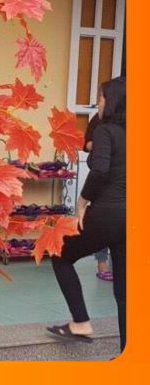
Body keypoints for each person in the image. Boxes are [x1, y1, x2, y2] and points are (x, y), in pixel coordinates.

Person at [47, 77, 126, 352]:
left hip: (106, 213)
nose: (97, 102)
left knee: (60, 255)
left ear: (111, 101)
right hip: (133, 217)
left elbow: (100, 170)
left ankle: (80, 322)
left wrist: (82, 201)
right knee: (124, 292)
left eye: (101, 97)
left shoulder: (106, 131)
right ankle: (129, 355)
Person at [83, 113, 114, 281]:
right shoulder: (98, 118)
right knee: (103, 222)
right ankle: (102, 265)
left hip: (120, 178)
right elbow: (86, 144)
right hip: (102, 177)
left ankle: (121, 266)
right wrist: (103, 143)